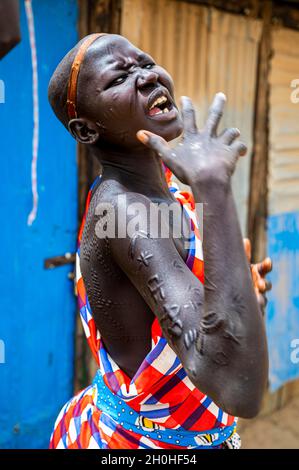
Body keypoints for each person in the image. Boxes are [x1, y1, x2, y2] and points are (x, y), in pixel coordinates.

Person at [48, 33, 272, 449]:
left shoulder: (164, 188)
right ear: (86, 129)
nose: (147, 76)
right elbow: (238, 387)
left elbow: (202, 311)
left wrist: (241, 293)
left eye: (145, 62)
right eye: (120, 78)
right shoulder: (124, 211)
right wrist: (214, 187)